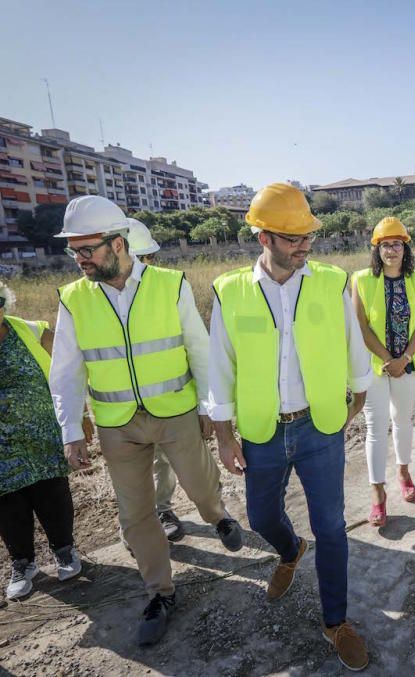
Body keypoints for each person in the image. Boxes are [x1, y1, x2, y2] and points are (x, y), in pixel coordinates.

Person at [49, 196, 244, 647]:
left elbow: (199, 351)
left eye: (87, 249)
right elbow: (66, 370)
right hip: (118, 424)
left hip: (174, 412)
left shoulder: (169, 285)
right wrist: (72, 431)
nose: (79, 259)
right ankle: (160, 592)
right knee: (136, 515)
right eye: (73, 251)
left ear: (117, 244)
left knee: (199, 486)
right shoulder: (73, 299)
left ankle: (217, 516)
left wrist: (212, 414)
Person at [210, 183, 371, 671]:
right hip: (262, 429)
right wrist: (222, 433)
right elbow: (221, 363)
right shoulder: (228, 290)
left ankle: (336, 622)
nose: (304, 246)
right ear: (263, 238)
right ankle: (290, 549)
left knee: (333, 527)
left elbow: (352, 340)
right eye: (292, 238)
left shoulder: (332, 281)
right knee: (260, 518)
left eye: (307, 237)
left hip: (319, 427)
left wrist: (359, 393)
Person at [0, 280, 83, 601]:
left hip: (44, 434)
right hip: (3, 449)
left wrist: (79, 416)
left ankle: (64, 550)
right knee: (9, 503)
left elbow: (68, 365)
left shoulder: (32, 331)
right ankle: (23, 563)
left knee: (52, 492)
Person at [353, 217, 415, 527]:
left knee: (402, 421)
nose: (392, 250)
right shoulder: (360, 280)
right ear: (377, 249)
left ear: (405, 248)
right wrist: (387, 358)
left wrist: (404, 358)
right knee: (376, 426)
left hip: (408, 366)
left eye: (397, 244)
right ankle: (377, 493)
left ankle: (403, 471)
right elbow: (360, 324)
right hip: (376, 367)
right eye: (385, 245)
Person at [125, 218, 182, 542]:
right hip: (121, 408)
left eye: (149, 260)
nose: (147, 266)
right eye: (142, 259)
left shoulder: (166, 292)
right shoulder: (94, 300)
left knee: (166, 460)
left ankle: (164, 508)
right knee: (131, 471)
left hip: (166, 399)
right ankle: (136, 527)